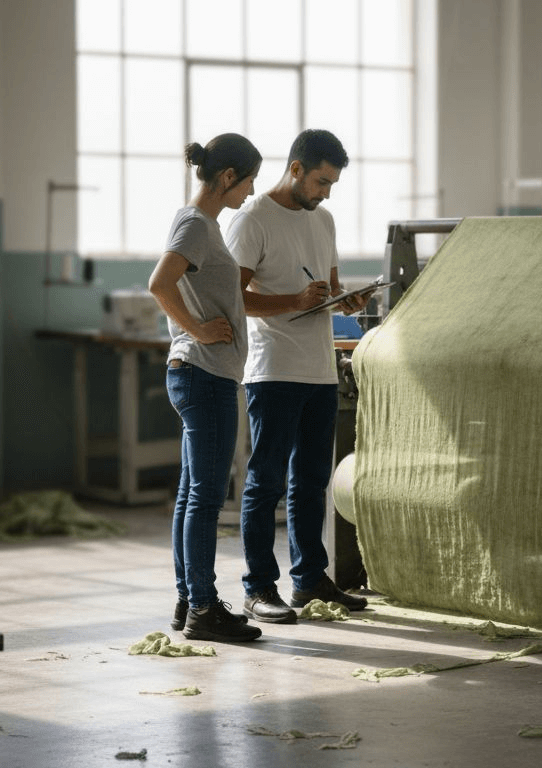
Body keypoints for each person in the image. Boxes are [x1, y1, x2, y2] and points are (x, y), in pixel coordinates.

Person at [226, 128, 371, 624]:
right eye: (321, 181)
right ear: (295, 169)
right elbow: (234, 299)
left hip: (319, 369)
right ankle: (258, 587)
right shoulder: (252, 220)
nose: (326, 192)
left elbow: (327, 288)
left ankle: (309, 581)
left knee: (311, 482)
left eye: (331, 184)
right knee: (265, 482)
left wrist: (347, 299)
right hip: (273, 370)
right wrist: (293, 301)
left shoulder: (323, 220)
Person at [148, 133, 263, 643]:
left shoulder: (202, 224)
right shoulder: (196, 223)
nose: (251, 193)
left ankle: (187, 599)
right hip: (203, 373)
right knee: (206, 498)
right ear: (227, 177)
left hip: (200, 372)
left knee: (192, 495)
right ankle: (202, 607)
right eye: (249, 181)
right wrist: (197, 329)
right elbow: (160, 283)